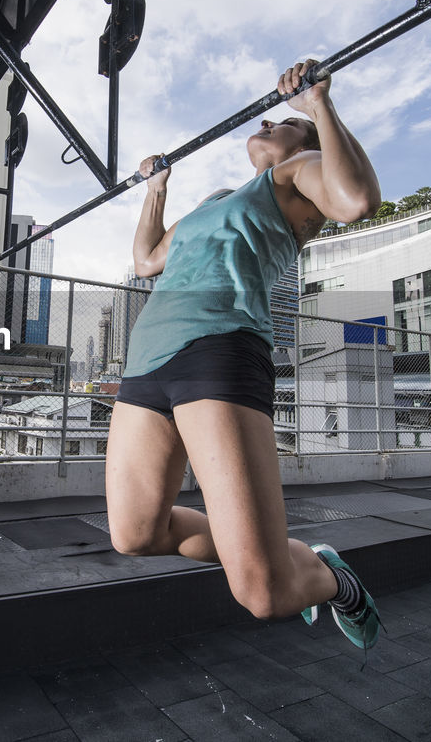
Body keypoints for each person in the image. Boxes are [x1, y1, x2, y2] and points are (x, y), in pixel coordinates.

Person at [105, 59, 383, 650]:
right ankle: (279, 554)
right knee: (135, 534)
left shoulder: (293, 175)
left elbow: (355, 198)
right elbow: (148, 260)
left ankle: (333, 581)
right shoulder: (215, 201)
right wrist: (156, 190)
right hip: (146, 362)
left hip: (219, 351)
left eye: (280, 120)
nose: (265, 120)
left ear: (303, 140)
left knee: (265, 595)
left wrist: (318, 107)